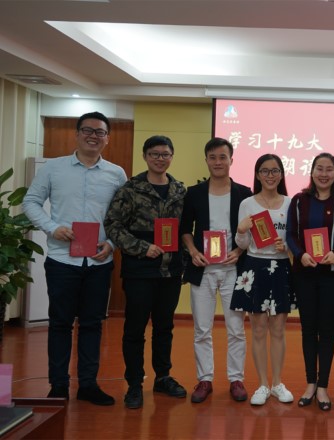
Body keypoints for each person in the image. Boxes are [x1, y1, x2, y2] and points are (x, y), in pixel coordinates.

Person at [23, 111, 127, 405]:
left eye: (100, 132)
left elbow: (124, 215)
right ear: (77, 134)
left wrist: (112, 244)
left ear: (107, 138)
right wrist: (52, 227)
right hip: (62, 260)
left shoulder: (116, 174)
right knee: (60, 324)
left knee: (93, 324)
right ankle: (58, 386)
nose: (93, 136)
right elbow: (31, 202)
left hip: (99, 261)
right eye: (88, 130)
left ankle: (88, 386)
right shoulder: (53, 168)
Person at [104, 135, 187, 409]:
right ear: (145, 156)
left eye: (165, 154)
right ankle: (134, 384)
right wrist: (142, 247)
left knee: (165, 327)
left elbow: (185, 229)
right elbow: (113, 225)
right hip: (139, 270)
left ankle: (162, 377)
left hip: (170, 272)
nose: (160, 159)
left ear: (171, 156)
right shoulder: (130, 189)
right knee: (135, 329)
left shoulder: (179, 190)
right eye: (154, 154)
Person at [180, 137, 252, 404]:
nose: (218, 162)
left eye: (223, 157)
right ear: (206, 160)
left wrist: (239, 251)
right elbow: (185, 229)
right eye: (213, 157)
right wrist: (193, 251)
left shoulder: (244, 193)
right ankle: (205, 379)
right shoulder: (194, 193)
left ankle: (236, 379)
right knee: (202, 328)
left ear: (231, 160)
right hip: (203, 269)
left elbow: (251, 230)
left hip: (234, 269)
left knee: (236, 328)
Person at [286, 152, 334, 411]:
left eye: (329, 169)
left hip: (332, 275)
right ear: (312, 171)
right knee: (308, 329)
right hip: (304, 273)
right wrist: (300, 254)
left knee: (326, 331)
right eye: (319, 168)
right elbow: (291, 234)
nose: (324, 174)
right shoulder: (299, 201)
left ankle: (323, 386)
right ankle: (310, 384)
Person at [230, 154, 296, 406]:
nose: (270, 175)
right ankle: (262, 385)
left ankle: (277, 383)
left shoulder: (290, 203)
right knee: (258, 329)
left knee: (278, 329)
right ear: (257, 174)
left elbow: (295, 240)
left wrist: (285, 247)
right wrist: (241, 230)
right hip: (254, 267)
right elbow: (242, 244)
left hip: (281, 268)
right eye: (265, 171)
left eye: (275, 170)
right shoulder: (247, 204)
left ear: (281, 174)